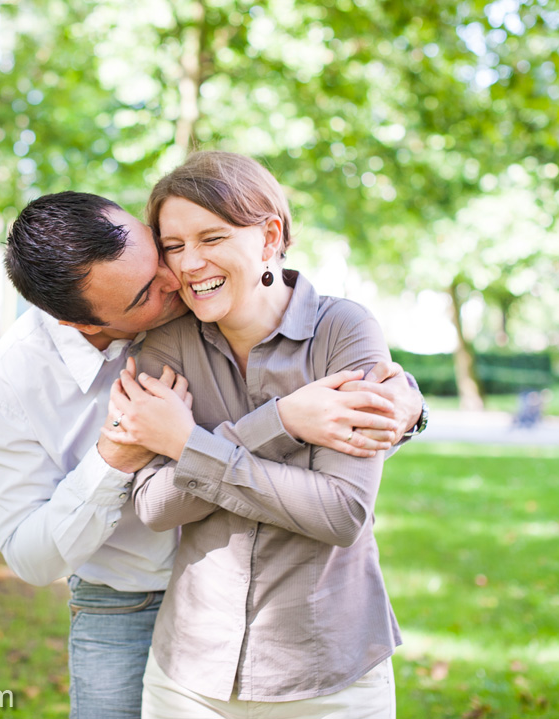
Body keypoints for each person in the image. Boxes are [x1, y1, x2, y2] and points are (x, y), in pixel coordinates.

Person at [0, 191, 425, 719]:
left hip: (269, 593)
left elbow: (301, 344)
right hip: (129, 604)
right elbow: (30, 556)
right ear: (84, 324)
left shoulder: (202, 296)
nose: (178, 277)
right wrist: (113, 456)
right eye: (146, 293)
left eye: (159, 251)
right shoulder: (10, 386)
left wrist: (401, 404)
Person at [102, 151, 411, 718]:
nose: (191, 263)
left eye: (211, 238)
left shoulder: (342, 330)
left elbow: (341, 513)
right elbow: (156, 505)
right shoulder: (168, 346)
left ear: (268, 237)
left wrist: (188, 445)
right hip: (189, 677)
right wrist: (283, 422)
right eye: (174, 246)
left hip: (330, 674)